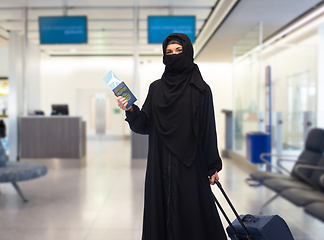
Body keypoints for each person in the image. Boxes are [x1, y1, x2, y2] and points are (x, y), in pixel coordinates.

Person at [116, 33, 227, 240]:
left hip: (190, 164)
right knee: (161, 213)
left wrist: (212, 166)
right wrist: (131, 110)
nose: (173, 55)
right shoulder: (156, 88)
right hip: (160, 163)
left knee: (192, 216)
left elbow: (208, 130)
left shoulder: (201, 90)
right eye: (169, 52)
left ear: (188, 52)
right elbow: (145, 125)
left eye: (178, 51)